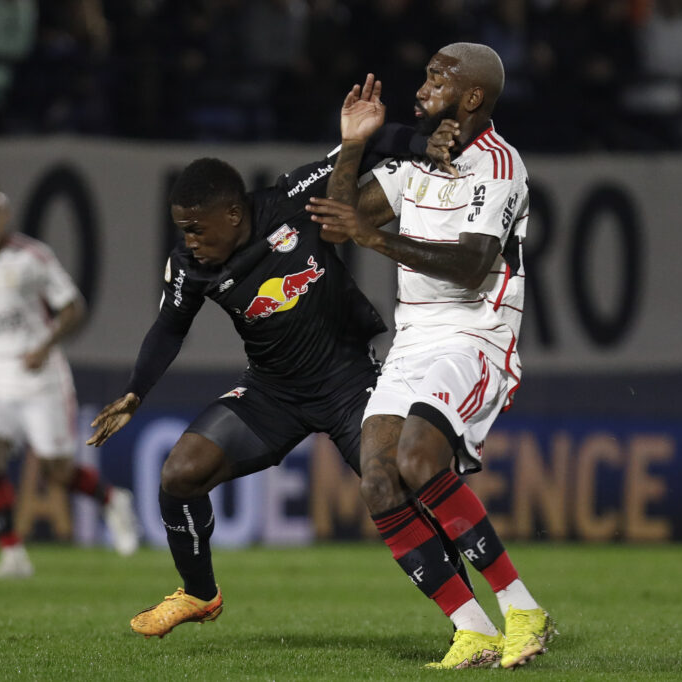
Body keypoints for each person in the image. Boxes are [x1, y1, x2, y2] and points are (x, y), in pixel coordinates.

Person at [87, 128, 473, 639]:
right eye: (182, 231)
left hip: (348, 382)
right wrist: (137, 391)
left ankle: (470, 622)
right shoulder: (189, 267)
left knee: (399, 488)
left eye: (197, 230)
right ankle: (199, 593)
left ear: (232, 214)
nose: (189, 242)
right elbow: (169, 328)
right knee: (180, 472)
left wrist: (425, 141)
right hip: (273, 393)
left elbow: (360, 152)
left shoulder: (293, 199)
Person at [305, 46, 553, 669]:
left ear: (472, 97)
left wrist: (376, 238)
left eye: (439, 77)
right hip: (414, 336)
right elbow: (342, 220)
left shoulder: (500, 164)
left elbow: (471, 267)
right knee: (380, 479)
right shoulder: (417, 160)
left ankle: (522, 608)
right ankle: (472, 628)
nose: (423, 86)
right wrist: (356, 144)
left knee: (419, 455)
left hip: (478, 333)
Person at [0, 187, 140, 578]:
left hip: (39, 379)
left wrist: (45, 346)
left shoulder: (31, 257)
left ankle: (112, 500)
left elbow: (74, 307)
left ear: (4, 217)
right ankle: (13, 555)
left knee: (55, 471)